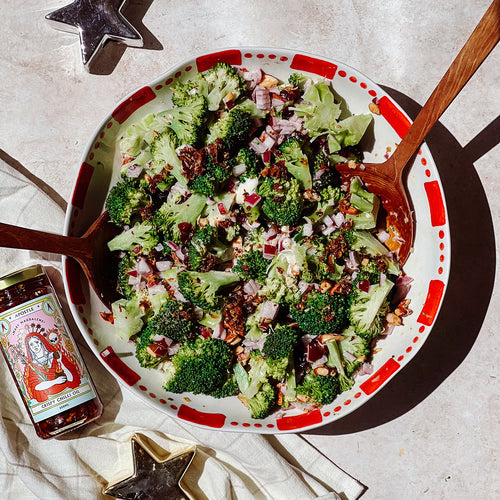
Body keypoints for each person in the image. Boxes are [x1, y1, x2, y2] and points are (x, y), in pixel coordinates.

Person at [23, 331, 80, 402]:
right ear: (29, 348)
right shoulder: (32, 366)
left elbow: (71, 379)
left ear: (41, 342)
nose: (35, 346)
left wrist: (60, 362)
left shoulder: (56, 355)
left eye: (36, 342)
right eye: (31, 344)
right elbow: (36, 387)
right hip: (50, 402)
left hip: (72, 394)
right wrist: (55, 381)